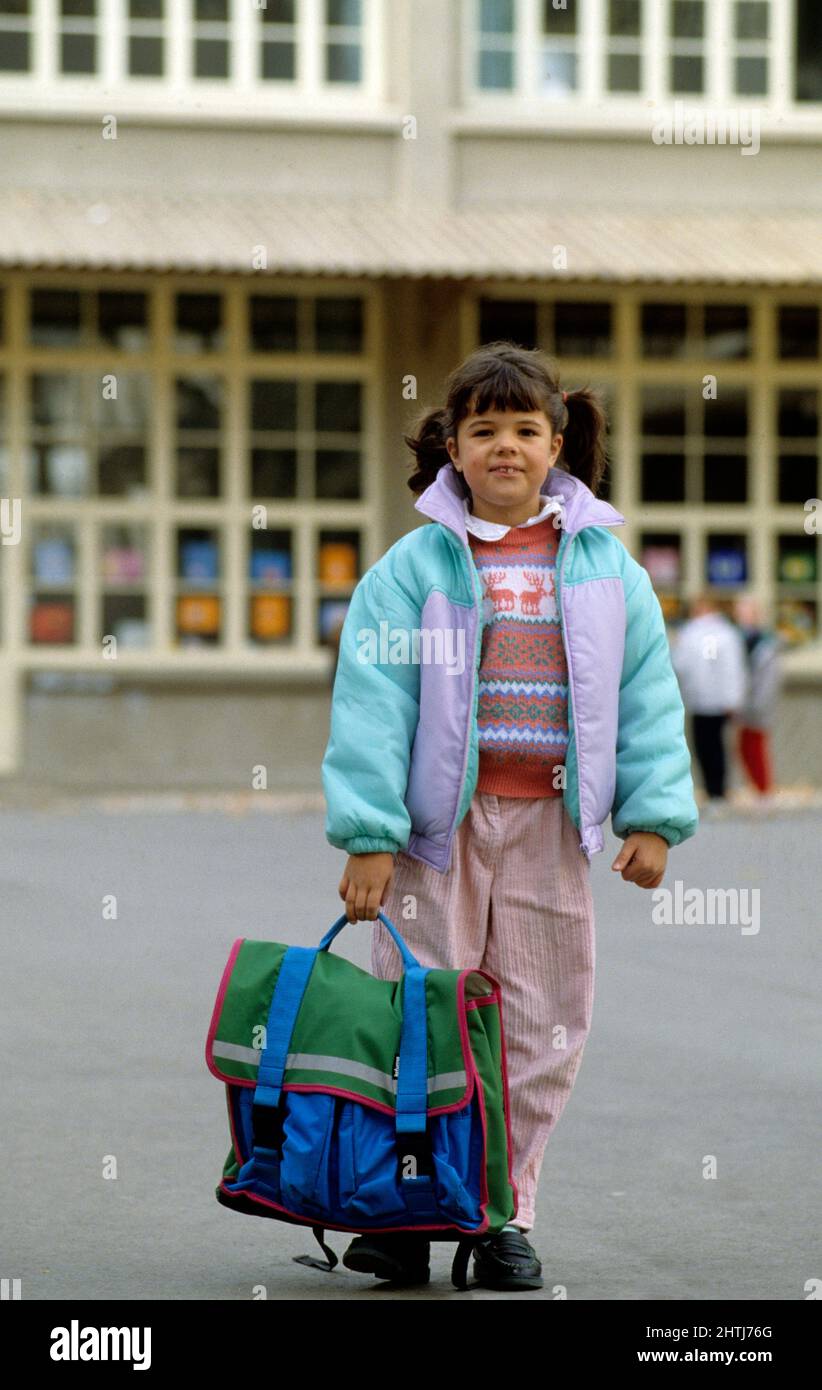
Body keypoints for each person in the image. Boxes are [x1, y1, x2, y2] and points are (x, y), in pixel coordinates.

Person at [321, 341, 699, 1292]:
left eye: (524, 430)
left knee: (541, 1025)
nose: (503, 447)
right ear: (451, 446)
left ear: (557, 443)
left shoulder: (608, 568)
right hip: (431, 840)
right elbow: (372, 703)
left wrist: (651, 815)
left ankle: (501, 1216)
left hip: (551, 833)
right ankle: (404, 1212)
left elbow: (646, 694)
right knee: (420, 1017)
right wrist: (369, 834)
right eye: (481, 430)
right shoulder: (412, 569)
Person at [670, 594, 749, 811]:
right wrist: (733, 698)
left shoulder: (692, 633)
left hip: (699, 700)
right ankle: (718, 791)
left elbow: (681, 664)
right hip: (719, 700)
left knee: (705, 747)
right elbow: (732, 669)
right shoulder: (726, 634)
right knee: (717, 747)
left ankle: (714, 790)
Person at [731, 594, 783, 805]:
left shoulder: (765, 643)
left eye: (746, 611)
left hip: (757, 703)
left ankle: (764, 790)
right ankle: (759, 789)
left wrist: (757, 704)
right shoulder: (740, 639)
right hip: (746, 702)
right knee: (746, 746)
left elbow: (768, 679)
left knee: (755, 746)